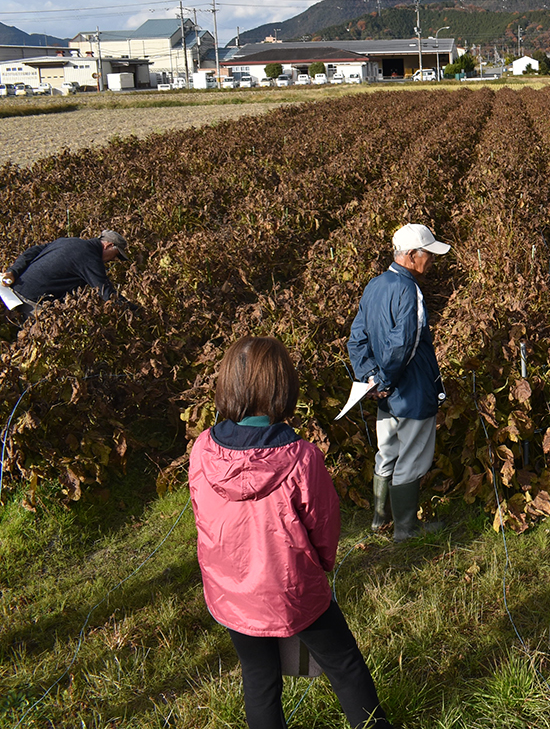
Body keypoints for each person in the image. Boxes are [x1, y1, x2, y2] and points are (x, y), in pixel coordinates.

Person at [189, 336, 397, 729]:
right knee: (344, 664)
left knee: (259, 679)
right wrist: (323, 565)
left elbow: (204, 518)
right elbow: (324, 525)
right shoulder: (301, 458)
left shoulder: (202, 449)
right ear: (283, 387)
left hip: (232, 593)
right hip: (293, 590)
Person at [348, 223, 450, 541]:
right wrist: (387, 380)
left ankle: (381, 521)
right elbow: (404, 341)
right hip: (411, 389)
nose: (431, 260)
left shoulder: (375, 285)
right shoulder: (410, 290)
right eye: (427, 254)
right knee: (412, 457)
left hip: (384, 394)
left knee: (387, 451)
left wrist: (369, 378)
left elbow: (357, 338)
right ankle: (406, 530)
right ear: (409, 255)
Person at [0, 230, 128, 312]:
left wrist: (13, 271)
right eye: (116, 255)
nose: (114, 259)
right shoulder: (90, 258)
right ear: (109, 246)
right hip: (32, 303)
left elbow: (31, 252)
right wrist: (138, 312)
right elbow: (107, 294)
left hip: (13, 290)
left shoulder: (67, 241)